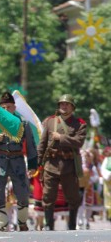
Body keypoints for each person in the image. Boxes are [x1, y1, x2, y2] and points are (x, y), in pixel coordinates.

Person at [0, 92, 37, 232]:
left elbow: (31, 145)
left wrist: (32, 165)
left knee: (23, 194)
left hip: (17, 161)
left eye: (9, 107)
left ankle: (22, 222)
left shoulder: (23, 123)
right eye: (4, 107)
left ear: (14, 107)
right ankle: (1, 224)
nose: (6, 110)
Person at [37, 94, 87, 230]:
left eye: (67, 104)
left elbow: (79, 142)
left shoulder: (79, 124)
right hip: (51, 164)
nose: (64, 106)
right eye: (62, 104)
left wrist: (61, 137)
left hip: (69, 166)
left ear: (72, 107)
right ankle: (48, 225)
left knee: (73, 198)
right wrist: (37, 163)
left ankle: (71, 225)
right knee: (48, 196)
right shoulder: (50, 121)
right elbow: (42, 144)